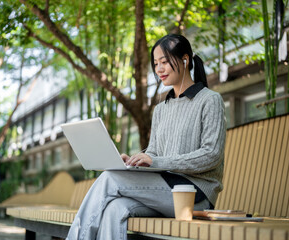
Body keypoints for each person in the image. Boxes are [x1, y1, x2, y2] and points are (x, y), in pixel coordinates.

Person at [66, 34, 226, 240]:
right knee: (115, 208)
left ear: (185, 60)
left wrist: (156, 160)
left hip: (193, 195)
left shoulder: (210, 100)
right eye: (156, 63)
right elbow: (154, 153)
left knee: (109, 179)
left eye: (165, 62)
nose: (159, 69)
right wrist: (134, 162)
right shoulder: (161, 109)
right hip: (163, 190)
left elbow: (211, 155)